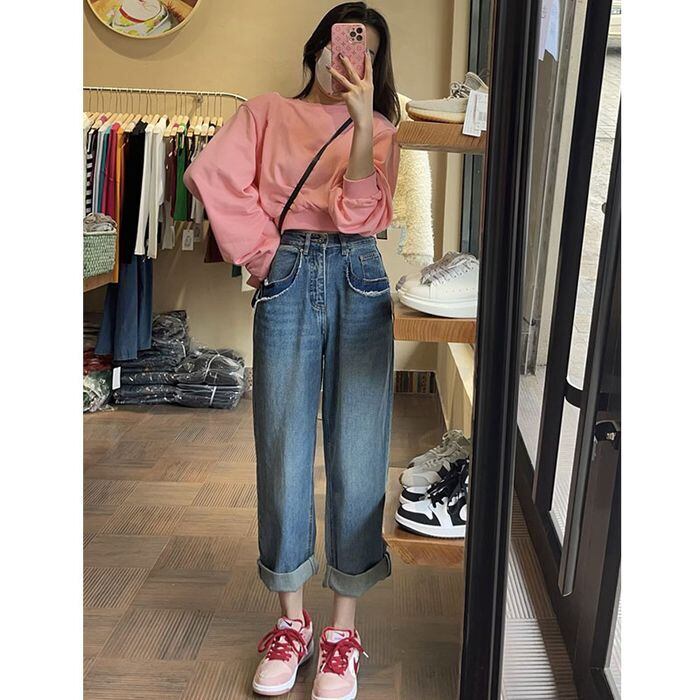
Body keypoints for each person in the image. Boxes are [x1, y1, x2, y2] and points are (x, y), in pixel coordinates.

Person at [184, 3, 400, 697]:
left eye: (366, 52)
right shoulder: (266, 112)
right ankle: (291, 622)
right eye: (342, 44)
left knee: (358, 451)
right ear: (318, 49)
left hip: (360, 275)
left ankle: (342, 631)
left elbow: (358, 215)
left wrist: (362, 123)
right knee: (281, 445)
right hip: (289, 272)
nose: (350, 59)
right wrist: (265, 256)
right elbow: (213, 177)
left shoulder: (382, 129)